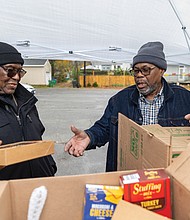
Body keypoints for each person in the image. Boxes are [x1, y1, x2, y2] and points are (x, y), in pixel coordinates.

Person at [65, 41, 190, 172]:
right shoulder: (119, 100)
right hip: (129, 175)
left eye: (146, 70)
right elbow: (103, 128)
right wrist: (89, 137)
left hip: (170, 176)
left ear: (161, 70)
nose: (139, 75)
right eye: (136, 71)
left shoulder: (185, 99)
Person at [0, 42, 57, 180]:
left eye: (20, 71)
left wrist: (49, 166)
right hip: (8, 193)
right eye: (10, 70)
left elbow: (37, 138)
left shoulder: (27, 102)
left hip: (40, 187)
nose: (17, 77)